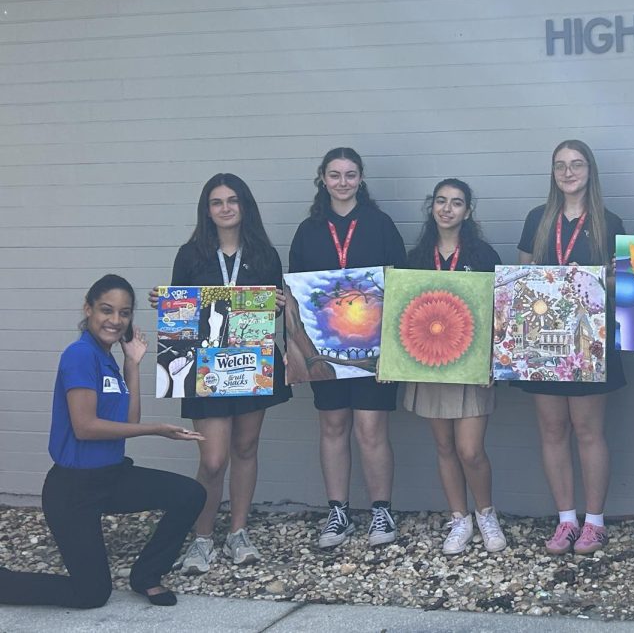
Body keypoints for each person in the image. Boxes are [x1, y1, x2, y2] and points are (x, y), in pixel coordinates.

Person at [0, 276, 205, 609]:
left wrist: (133, 364)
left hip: (111, 478)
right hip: (73, 491)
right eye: (106, 310)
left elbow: (128, 423)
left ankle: (146, 576)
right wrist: (158, 429)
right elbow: (85, 427)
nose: (115, 320)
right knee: (91, 594)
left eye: (124, 313)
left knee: (190, 494)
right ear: (88, 309)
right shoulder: (80, 355)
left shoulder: (107, 357)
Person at [148, 173, 291, 575]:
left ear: (245, 206)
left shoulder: (264, 254)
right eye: (217, 202)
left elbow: (271, 314)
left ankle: (239, 532)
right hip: (205, 370)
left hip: (250, 364)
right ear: (206, 209)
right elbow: (179, 310)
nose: (225, 208)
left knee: (246, 448)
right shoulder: (191, 253)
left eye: (233, 200)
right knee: (212, 459)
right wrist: (164, 301)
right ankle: (203, 537)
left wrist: (279, 305)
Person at [288, 147, 407, 550]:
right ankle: (337, 511)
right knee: (334, 426)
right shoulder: (308, 230)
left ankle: (381, 510)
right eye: (335, 175)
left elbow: (402, 286)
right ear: (322, 178)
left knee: (371, 428)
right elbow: (295, 297)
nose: (343, 182)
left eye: (350, 175)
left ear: (361, 178)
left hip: (374, 350)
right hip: (326, 351)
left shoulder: (380, 225)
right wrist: (304, 352)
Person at [515, 139, 625, 556]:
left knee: (588, 431)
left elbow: (620, 284)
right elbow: (521, 275)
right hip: (542, 342)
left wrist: (598, 279)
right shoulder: (537, 219)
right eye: (560, 165)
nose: (568, 172)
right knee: (552, 429)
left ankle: (594, 522)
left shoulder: (609, 222)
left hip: (587, 342)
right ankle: (566, 519)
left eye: (576, 164)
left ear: (590, 171)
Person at [405, 178, 507, 555]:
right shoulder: (416, 258)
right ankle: (459, 518)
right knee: (444, 446)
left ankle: (486, 513)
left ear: (468, 211)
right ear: (432, 206)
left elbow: (500, 314)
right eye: (441, 201)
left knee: (470, 450)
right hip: (430, 366)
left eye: (457, 203)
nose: (447, 208)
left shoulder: (483, 256)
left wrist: (495, 362)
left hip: (471, 368)